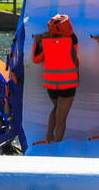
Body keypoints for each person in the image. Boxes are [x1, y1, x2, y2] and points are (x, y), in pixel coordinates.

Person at [32, 14, 79, 143]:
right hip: (68, 85)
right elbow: (75, 57)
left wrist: (37, 41)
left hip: (51, 86)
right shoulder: (72, 41)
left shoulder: (46, 43)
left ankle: (48, 137)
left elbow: (36, 59)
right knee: (61, 118)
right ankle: (56, 146)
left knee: (56, 109)